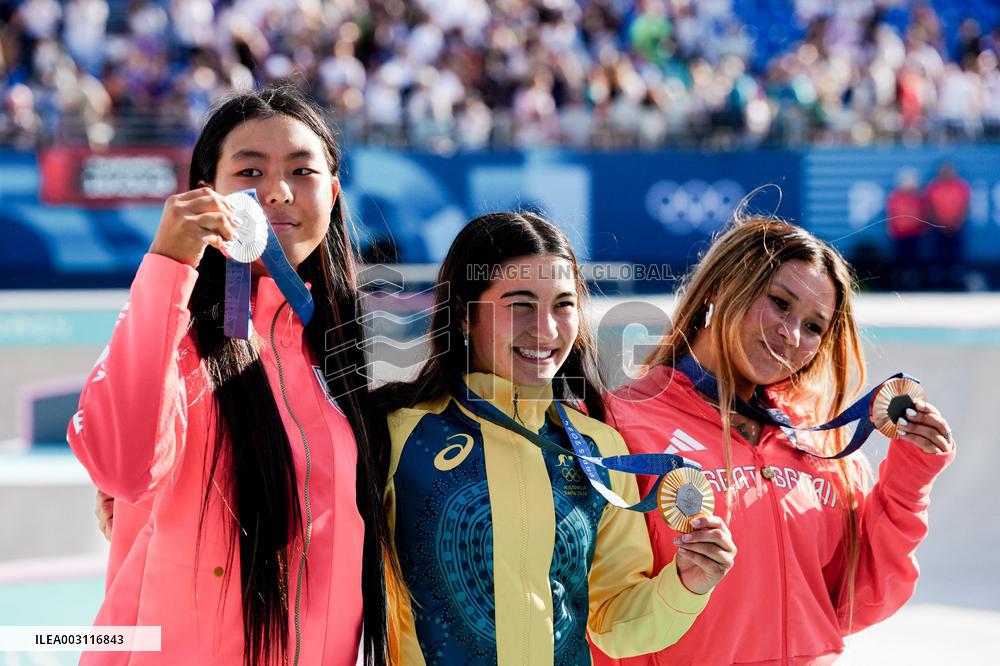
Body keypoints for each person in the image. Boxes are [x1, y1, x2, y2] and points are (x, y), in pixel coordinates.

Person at [68, 85, 390, 665]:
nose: (278, 192)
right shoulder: (174, 341)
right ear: (207, 194)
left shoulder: (342, 359)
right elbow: (122, 466)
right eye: (249, 171)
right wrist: (169, 262)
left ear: (334, 193)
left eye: (301, 170)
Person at [372, 211, 737, 663]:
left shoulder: (599, 448)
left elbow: (612, 623)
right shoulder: (397, 432)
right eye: (520, 304)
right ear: (465, 316)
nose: (545, 329)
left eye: (563, 305)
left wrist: (686, 583)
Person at [593, 215, 955, 665]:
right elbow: (600, 616)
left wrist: (909, 479)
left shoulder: (817, 443)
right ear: (722, 286)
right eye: (780, 303)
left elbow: (855, 604)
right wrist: (684, 584)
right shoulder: (618, 424)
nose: (791, 335)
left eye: (814, 327)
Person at [923, 162, 971, 289]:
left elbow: (965, 207)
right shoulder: (933, 187)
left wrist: (957, 223)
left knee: (956, 255)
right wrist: (939, 224)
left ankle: (956, 281)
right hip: (938, 228)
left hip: (956, 227)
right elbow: (929, 208)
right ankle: (939, 281)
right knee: (938, 255)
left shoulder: (961, 186)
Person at [885, 168, 927, 289]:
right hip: (900, 235)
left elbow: (922, 214)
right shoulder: (896, 197)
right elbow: (892, 214)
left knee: (914, 259)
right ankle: (900, 282)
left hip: (914, 234)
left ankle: (913, 282)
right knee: (900, 260)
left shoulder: (918, 198)